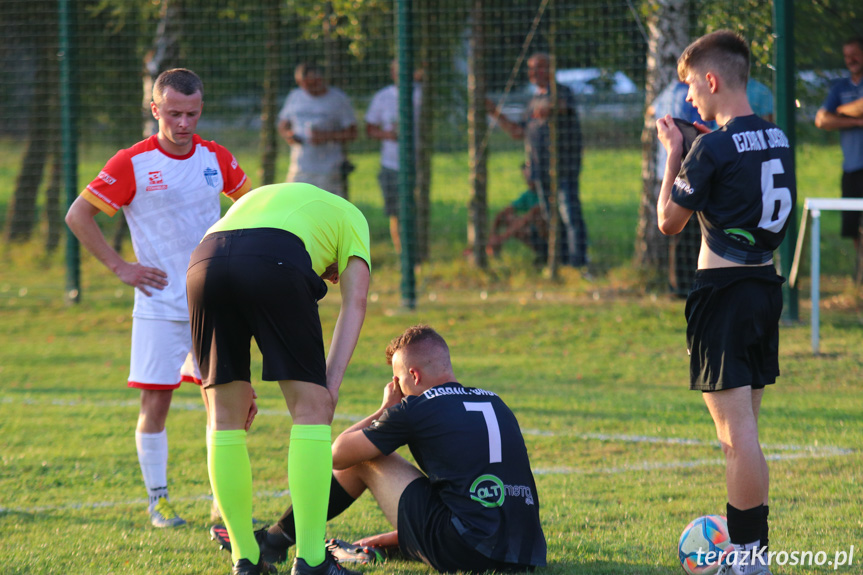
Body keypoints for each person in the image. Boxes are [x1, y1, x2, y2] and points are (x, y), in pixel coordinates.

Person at [65, 68, 252, 529]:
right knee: (156, 404)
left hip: (212, 302)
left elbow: (253, 204)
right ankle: (158, 501)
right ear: (155, 110)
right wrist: (120, 267)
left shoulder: (217, 157)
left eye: (191, 113)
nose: (183, 123)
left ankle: (221, 503)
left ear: (200, 110)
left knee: (222, 405)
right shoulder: (132, 162)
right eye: (173, 113)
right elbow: (79, 214)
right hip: (157, 305)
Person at [210, 325, 547, 574]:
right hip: (525, 553)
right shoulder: (495, 400)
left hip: (465, 550)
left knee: (366, 458)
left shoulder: (418, 407)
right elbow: (469, 501)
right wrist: (388, 540)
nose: (397, 387)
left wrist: (384, 408)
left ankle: (274, 542)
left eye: (397, 379)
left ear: (412, 375)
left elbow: (339, 454)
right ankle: (275, 541)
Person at [656, 30, 796, 575]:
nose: (688, 97)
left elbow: (669, 220)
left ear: (712, 80)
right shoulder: (779, 136)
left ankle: (750, 556)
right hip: (764, 289)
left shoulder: (709, 148)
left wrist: (676, 153)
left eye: (691, 85)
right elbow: (744, 169)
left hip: (725, 295)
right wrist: (700, 143)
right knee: (748, 433)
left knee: (736, 439)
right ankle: (749, 546)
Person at [186, 182, 371, 575]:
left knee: (224, 421)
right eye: (331, 273)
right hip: (276, 258)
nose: (330, 276)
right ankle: (313, 563)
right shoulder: (352, 217)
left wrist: (221, 394)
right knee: (310, 413)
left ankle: (246, 562)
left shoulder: (272, 202)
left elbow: (223, 271)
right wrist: (328, 389)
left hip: (204, 261)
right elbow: (355, 303)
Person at [487, 52, 588, 268]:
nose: (534, 72)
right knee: (550, 216)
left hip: (563, 167)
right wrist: (494, 112)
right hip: (540, 171)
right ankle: (558, 261)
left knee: (569, 213)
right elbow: (517, 132)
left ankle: (578, 263)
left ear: (551, 69)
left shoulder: (562, 92)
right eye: (531, 68)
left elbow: (562, 106)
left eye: (539, 67)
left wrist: (550, 109)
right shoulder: (533, 100)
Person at [364, 59, 422, 255]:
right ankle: (403, 255)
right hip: (391, 164)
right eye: (398, 72)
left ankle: (419, 254)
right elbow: (370, 129)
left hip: (417, 163)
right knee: (396, 213)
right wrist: (388, 135)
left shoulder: (421, 95)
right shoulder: (382, 97)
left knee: (416, 210)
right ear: (392, 73)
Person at [278, 63, 358, 199]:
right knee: (296, 206)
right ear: (300, 83)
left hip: (329, 169)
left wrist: (326, 137)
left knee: (326, 210)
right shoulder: (295, 97)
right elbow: (283, 124)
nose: (314, 86)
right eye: (309, 84)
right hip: (299, 167)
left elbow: (352, 133)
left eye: (317, 81)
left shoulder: (337, 99)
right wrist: (289, 135)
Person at [814, 37, 863, 253]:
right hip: (851, 168)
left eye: (855, 54)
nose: (851, 59)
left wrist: (841, 110)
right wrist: (856, 121)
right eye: (846, 55)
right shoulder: (840, 87)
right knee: (853, 227)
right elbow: (822, 120)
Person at [487, 163, 547, 261]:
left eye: (530, 177)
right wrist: (493, 235)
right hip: (533, 232)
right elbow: (502, 213)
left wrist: (501, 239)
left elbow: (528, 218)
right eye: (525, 177)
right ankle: (541, 254)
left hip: (547, 232)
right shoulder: (527, 195)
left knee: (537, 220)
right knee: (508, 218)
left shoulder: (546, 194)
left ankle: (548, 254)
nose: (528, 181)